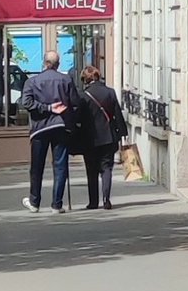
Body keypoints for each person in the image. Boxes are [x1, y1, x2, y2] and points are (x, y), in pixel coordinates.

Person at [21, 50, 81, 215]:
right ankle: (57, 204)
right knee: (60, 166)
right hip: (60, 126)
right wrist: (70, 120)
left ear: (44, 63)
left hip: (39, 128)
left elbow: (26, 102)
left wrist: (45, 108)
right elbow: (75, 104)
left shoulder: (32, 82)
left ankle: (34, 202)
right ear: (58, 64)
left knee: (37, 166)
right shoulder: (66, 80)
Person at [79, 65, 128, 210]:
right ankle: (106, 199)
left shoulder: (83, 96)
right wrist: (122, 134)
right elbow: (117, 115)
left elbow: (79, 118)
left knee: (91, 170)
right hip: (108, 137)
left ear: (85, 79)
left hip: (90, 139)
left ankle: (93, 202)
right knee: (107, 168)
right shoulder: (110, 92)